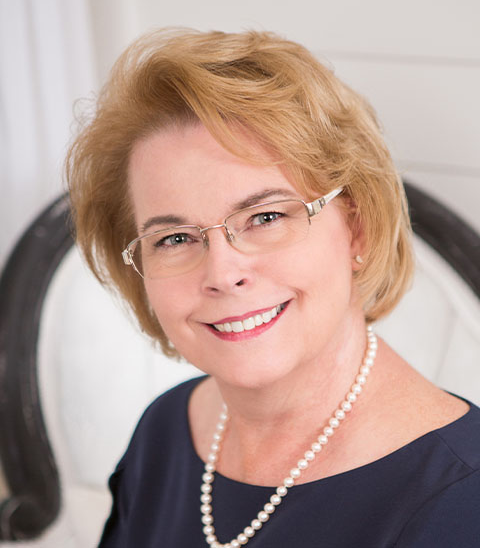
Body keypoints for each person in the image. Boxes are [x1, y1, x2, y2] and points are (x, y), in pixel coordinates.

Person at [66, 29, 480, 548]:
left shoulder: (462, 501)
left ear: (357, 227)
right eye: (173, 237)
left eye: (265, 216)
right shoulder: (166, 431)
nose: (222, 273)